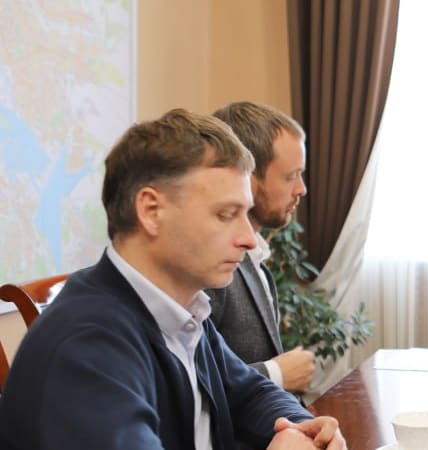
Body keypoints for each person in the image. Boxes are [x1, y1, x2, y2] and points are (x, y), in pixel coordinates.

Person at [0, 109, 345, 450]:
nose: (249, 239)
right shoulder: (85, 348)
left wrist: (304, 429)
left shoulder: (185, 310)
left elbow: (249, 392)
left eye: (244, 213)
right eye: (226, 214)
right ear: (151, 211)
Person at [205, 101, 314, 394]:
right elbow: (195, 381)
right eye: (291, 176)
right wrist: (276, 374)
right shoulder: (211, 265)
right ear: (247, 178)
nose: (301, 189)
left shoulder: (256, 258)